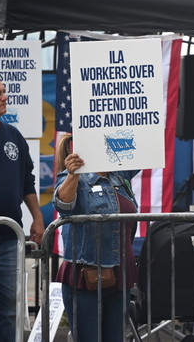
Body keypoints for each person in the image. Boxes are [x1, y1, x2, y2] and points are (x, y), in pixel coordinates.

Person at [53, 134, 139, 341]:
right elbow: (62, 205)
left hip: (121, 276)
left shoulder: (119, 176)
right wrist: (74, 174)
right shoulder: (72, 177)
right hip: (85, 276)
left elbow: (144, 146)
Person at [0, 72, 44, 342]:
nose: (5, 97)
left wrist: (37, 218)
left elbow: (27, 180)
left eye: (4, 91)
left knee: (8, 311)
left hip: (9, 238)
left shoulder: (13, 135)